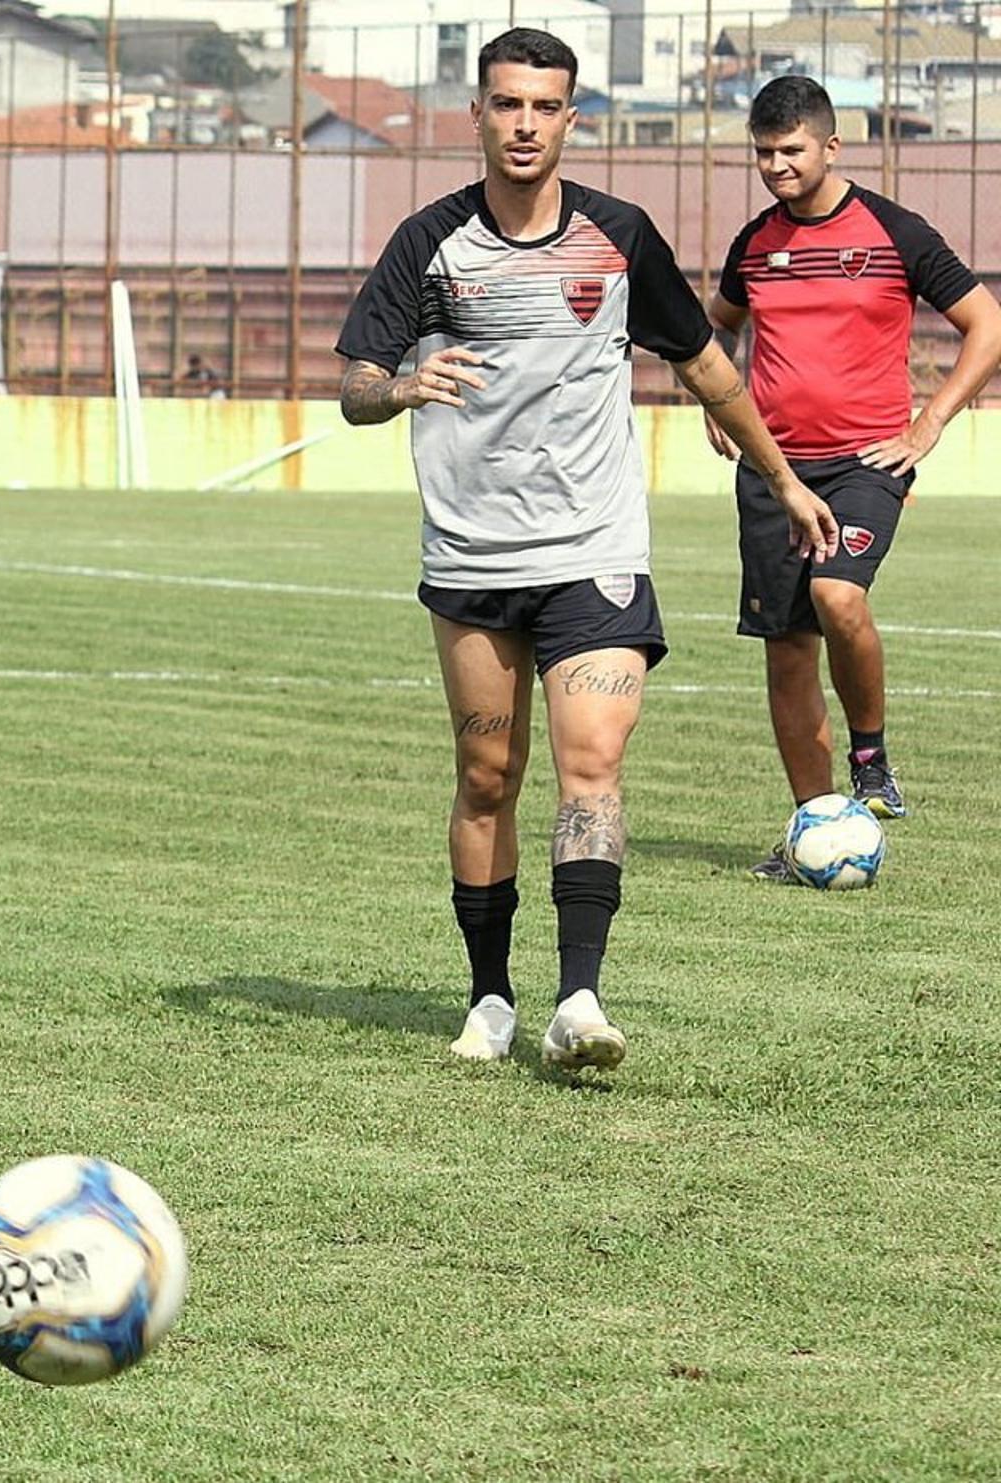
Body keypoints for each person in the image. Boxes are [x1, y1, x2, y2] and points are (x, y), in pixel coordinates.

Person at [335, 29, 836, 1070]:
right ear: (476, 114)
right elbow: (353, 387)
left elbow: (706, 366)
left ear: (572, 119)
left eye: (545, 107)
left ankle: (579, 998)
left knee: (592, 766)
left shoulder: (619, 237)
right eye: (507, 104)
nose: (524, 124)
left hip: (594, 550)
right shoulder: (429, 244)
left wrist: (784, 478)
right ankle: (489, 998)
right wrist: (398, 388)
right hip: (473, 559)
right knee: (486, 774)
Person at [705, 76, 1001, 877]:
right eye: (763, 153)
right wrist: (717, 395)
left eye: (791, 150)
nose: (775, 166)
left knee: (839, 595)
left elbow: (987, 323)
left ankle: (870, 756)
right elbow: (718, 326)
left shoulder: (894, 231)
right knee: (788, 652)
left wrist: (928, 422)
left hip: (865, 463)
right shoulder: (755, 243)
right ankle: (813, 823)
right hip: (773, 473)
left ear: (832, 146)